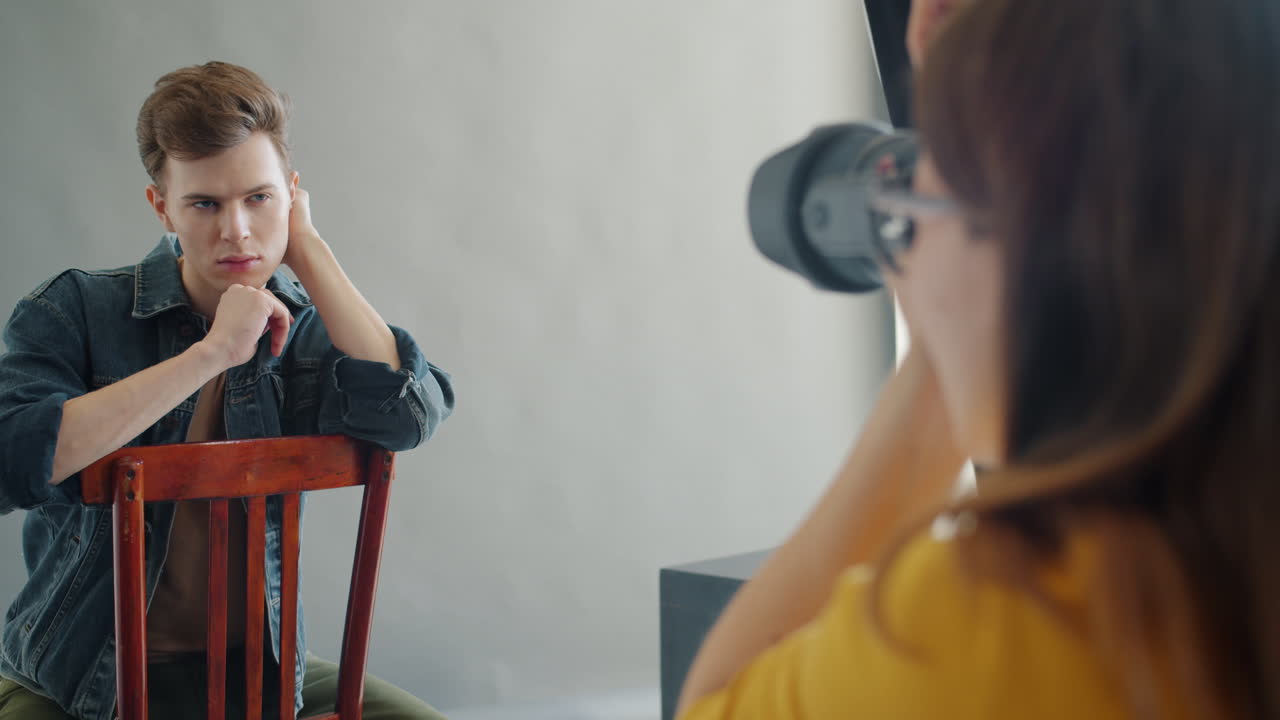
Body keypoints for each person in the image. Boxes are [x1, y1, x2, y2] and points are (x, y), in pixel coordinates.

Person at [677, 0, 1279, 718]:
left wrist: (943, 360)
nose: (905, 242)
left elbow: (717, 702)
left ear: (1020, 243)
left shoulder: (1013, 611)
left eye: (928, 182)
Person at [0, 62, 455, 720]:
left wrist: (311, 251)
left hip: (257, 683)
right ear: (162, 207)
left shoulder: (303, 329)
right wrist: (211, 353)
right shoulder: (73, 310)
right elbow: (13, 460)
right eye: (205, 203)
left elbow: (410, 415)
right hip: (77, 679)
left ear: (292, 195)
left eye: (259, 198)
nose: (236, 229)